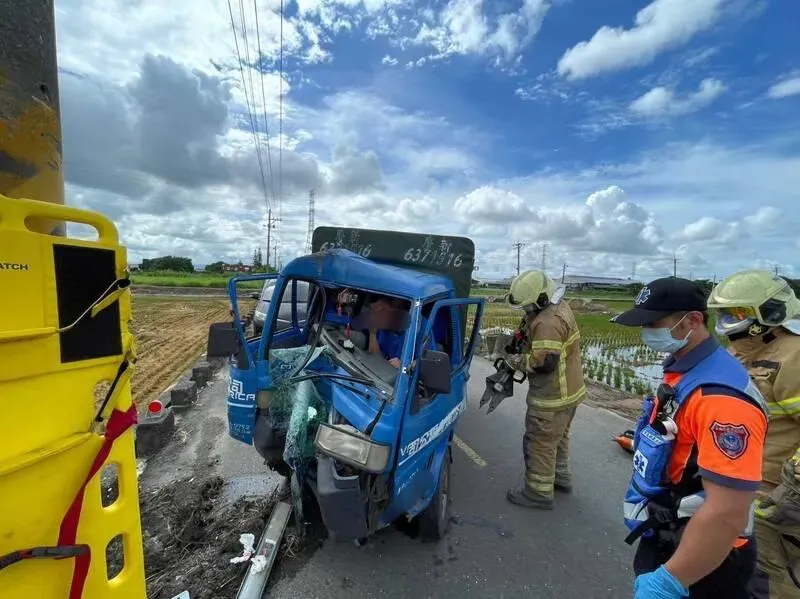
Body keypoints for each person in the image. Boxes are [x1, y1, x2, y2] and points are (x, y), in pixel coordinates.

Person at [612, 276, 769, 599]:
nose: (646, 332)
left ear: (693, 321)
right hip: (672, 531)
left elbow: (727, 512)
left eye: (654, 323)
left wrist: (670, 580)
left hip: (707, 557)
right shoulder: (686, 371)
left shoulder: (720, 399)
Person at [707, 270, 800, 598]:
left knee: (769, 578)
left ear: (769, 313)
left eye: (739, 314)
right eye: (726, 313)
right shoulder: (742, 352)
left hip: (773, 495)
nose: (730, 321)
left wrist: (791, 491)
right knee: (737, 572)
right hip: (738, 485)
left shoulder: (793, 357)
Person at [503, 269, 586, 510]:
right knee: (557, 439)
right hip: (570, 393)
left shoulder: (547, 322)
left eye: (528, 308)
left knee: (540, 442)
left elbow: (544, 363)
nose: (527, 312)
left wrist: (515, 361)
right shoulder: (559, 308)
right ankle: (560, 479)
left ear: (540, 299)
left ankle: (537, 493)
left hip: (553, 397)